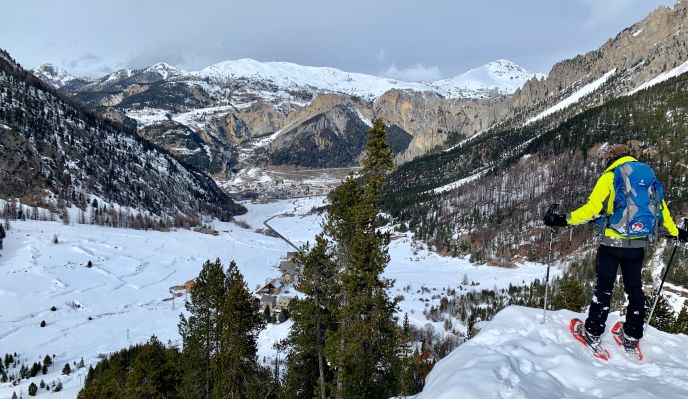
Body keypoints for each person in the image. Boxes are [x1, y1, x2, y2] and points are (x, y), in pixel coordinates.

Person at [544, 144, 688, 353]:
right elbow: (661, 210)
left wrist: (562, 220)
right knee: (635, 290)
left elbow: (591, 210)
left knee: (604, 288)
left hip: (611, 244)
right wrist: (677, 233)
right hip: (637, 245)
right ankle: (631, 335)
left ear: (610, 159)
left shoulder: (610, 177)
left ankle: (592, 331)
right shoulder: (648, 178)